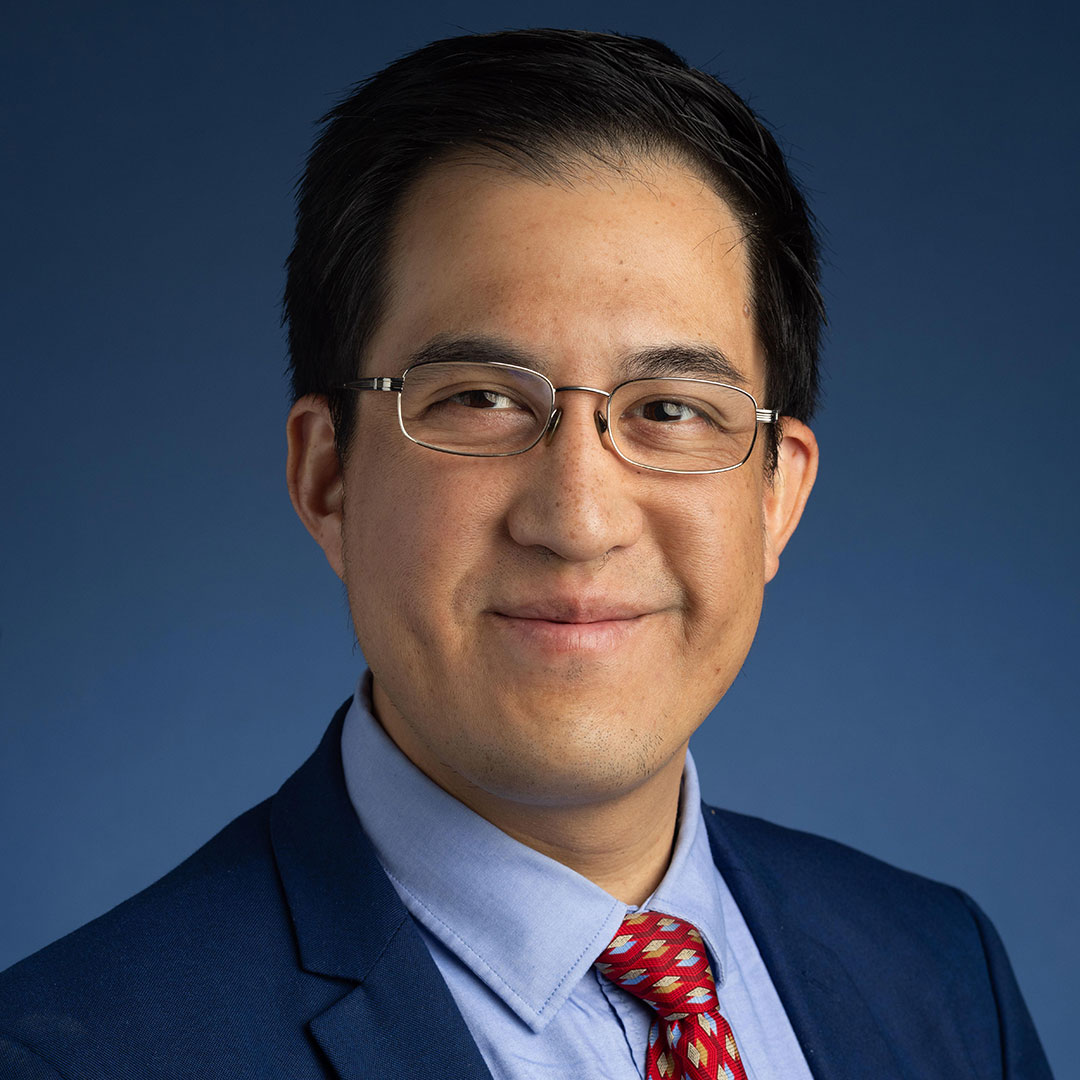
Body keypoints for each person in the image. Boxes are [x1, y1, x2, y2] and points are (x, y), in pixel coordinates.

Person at [0, 27, 1052, 1080]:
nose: (579, 517)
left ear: (778, 494)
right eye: (481, 400)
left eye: (671, 409)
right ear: (328, 478)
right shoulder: (73, 1053)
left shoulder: (940, 971)